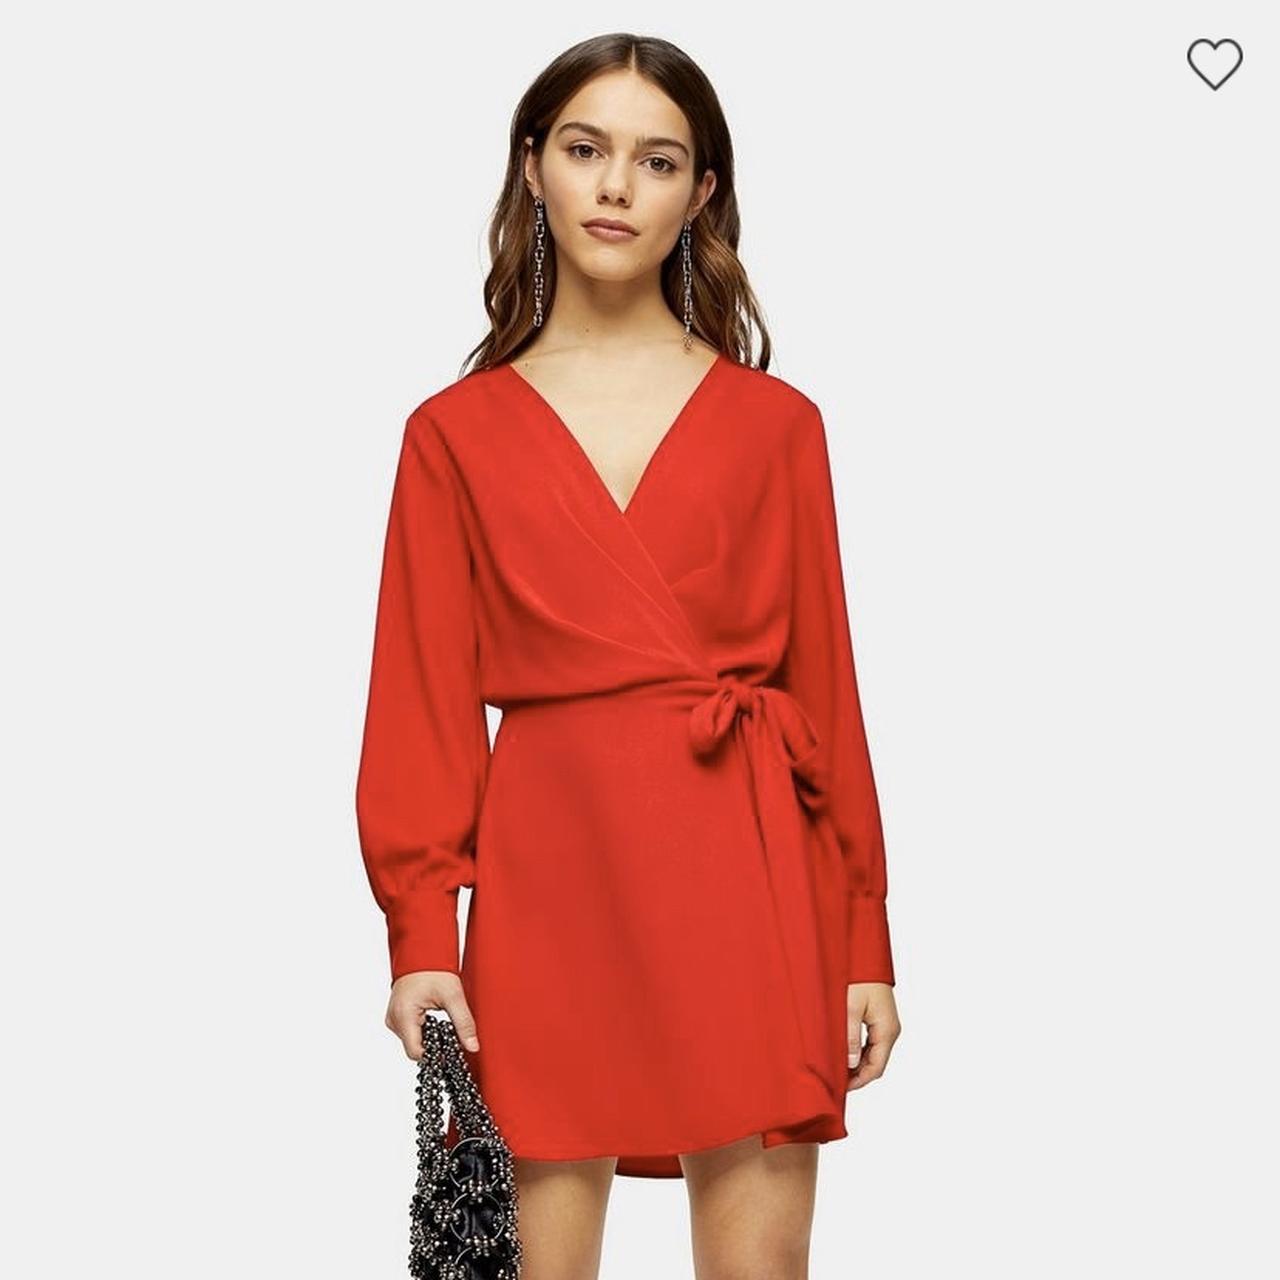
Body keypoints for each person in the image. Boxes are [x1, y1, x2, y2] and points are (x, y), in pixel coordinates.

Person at [355, 31, 902, 1279]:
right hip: (550, 883)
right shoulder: (452, 433)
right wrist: (421, 932)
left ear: (699, 190)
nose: (614, 186)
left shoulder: (776, 425)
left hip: (749, 876)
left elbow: (826, 692)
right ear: (532, 167)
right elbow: (419, 700)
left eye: (656, 161)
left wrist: (863, 933)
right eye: (584, 149)